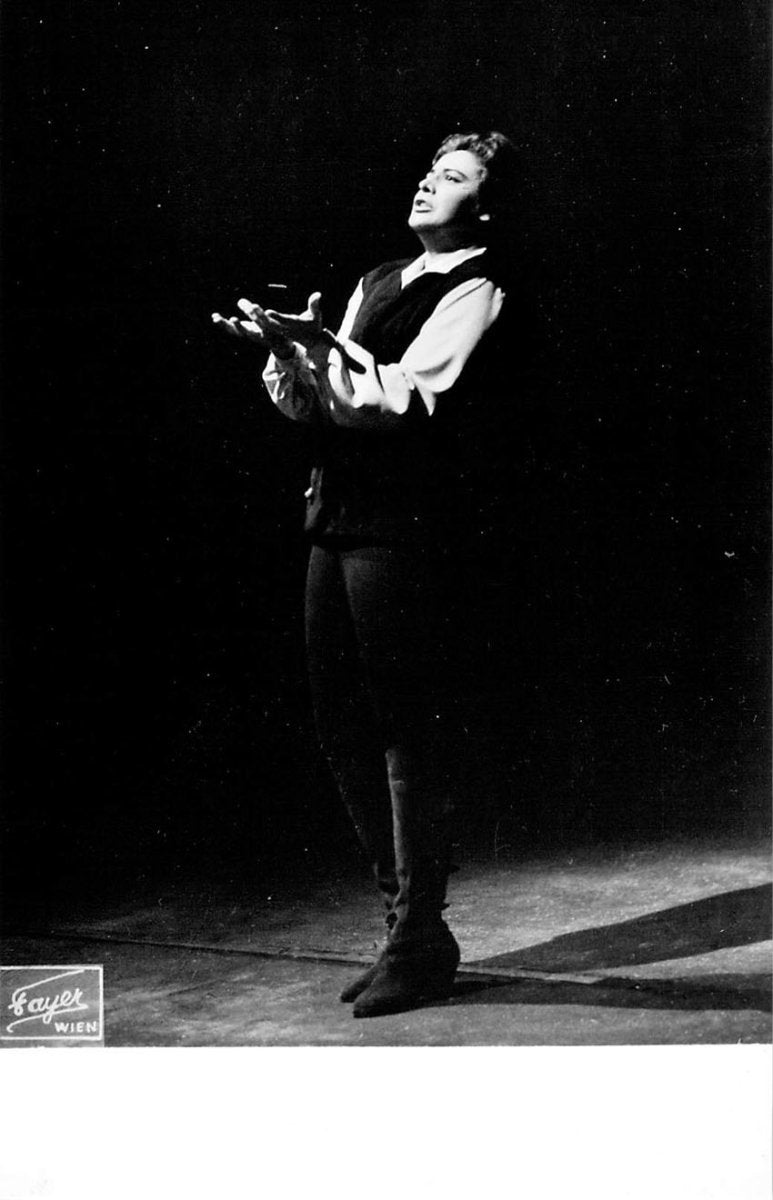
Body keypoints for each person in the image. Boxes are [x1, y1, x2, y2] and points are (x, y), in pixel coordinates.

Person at [213, 130, 518, 1017]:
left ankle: (419, 935)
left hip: (405, 531)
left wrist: (324, 352)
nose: (427, 186)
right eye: (429, 171)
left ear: (485, 209)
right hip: (335, 518)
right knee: (341, 724)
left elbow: (404, 399)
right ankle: (404, 930)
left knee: (402, 730)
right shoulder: (377, 280)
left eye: (452, 178)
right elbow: (321, 403)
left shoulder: (479, 287)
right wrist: (289, 351)